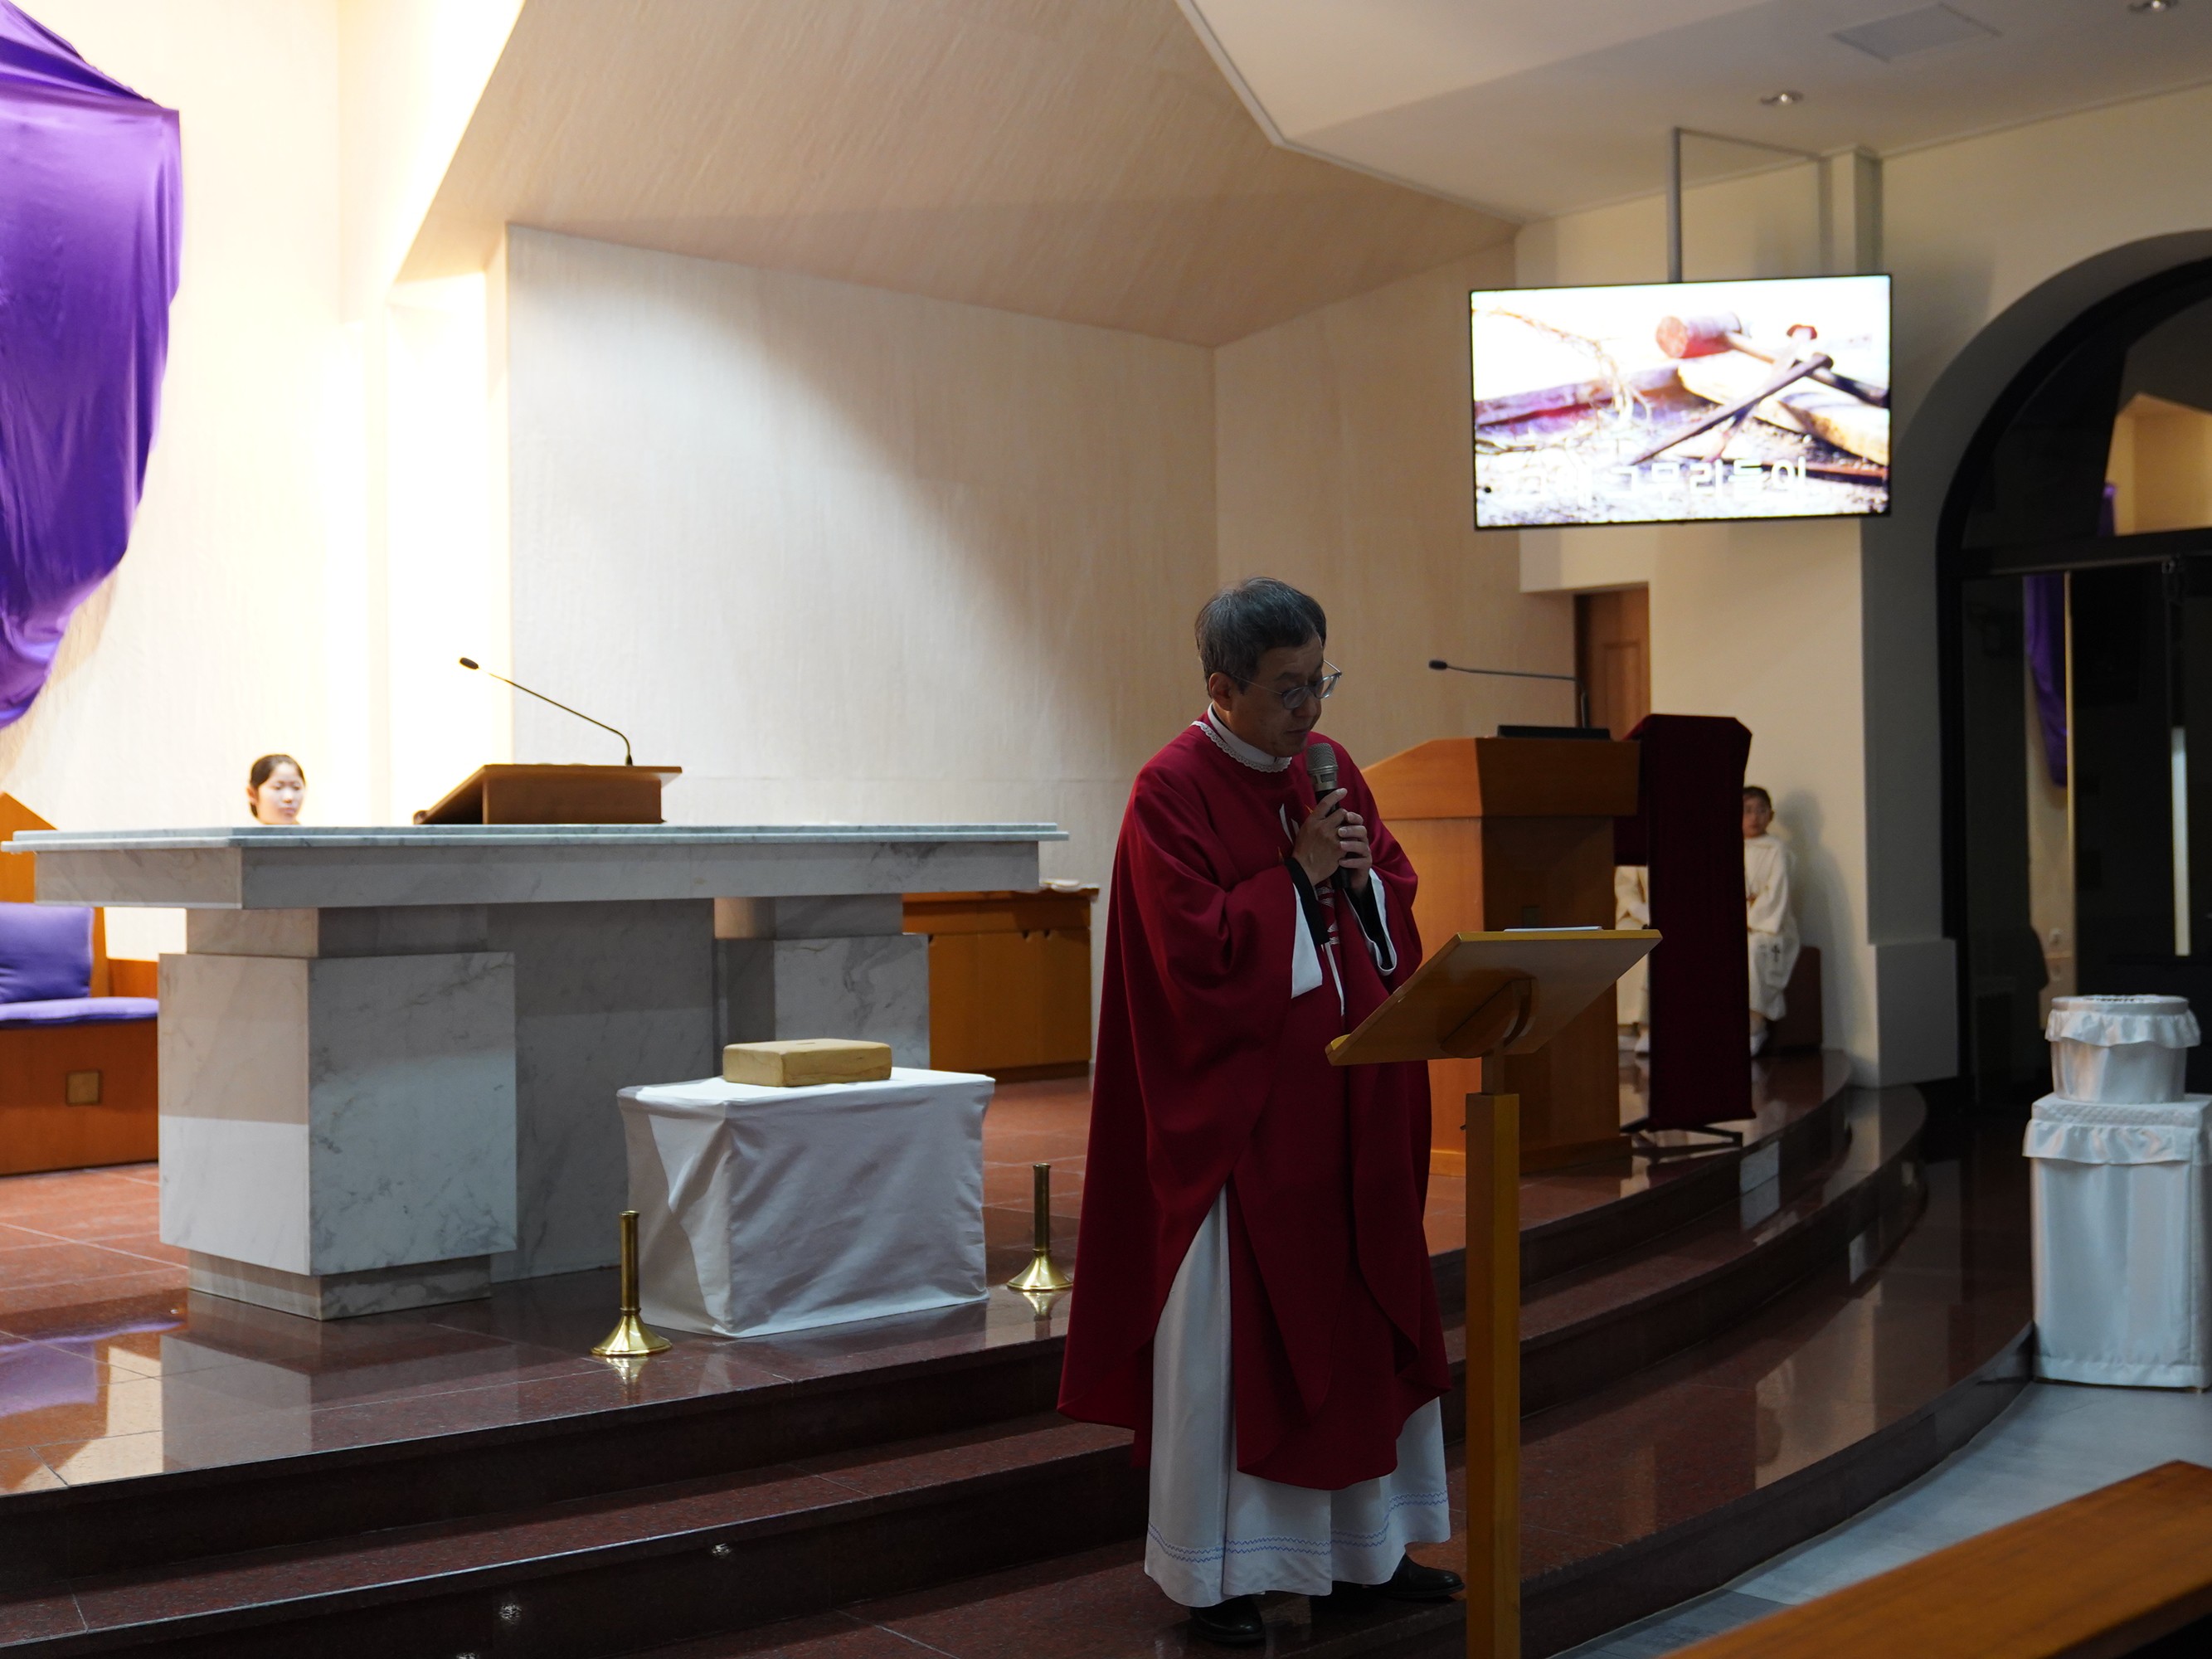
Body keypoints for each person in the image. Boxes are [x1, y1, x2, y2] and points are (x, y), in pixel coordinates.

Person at [1058, 578, 1458, 1649]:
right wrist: (1294, 875)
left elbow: (1391, 900)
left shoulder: (1330, 770)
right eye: (1287, 689)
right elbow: (1190, 963)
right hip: (1244, 1134)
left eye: (1320, 681)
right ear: (1222, 687)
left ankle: (1366, 1556)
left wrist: (1361, 884)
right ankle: (1225, 1573)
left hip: (1350, 1117)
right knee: (1239, 1354)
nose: (1309, 711)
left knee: (1360, 1331)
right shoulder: (1169, 791)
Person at [1743, 786, 1800, 1055]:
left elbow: (1776, 894)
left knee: (1754, 949)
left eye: (1761, 810)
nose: (1754, 817)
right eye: (1747, 811)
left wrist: (1749, 914)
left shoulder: (1778, 850)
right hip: (1742, 923)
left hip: (1769, 926)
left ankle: (1755, 1024)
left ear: (1771, 815)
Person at [246, 754, 306, 825]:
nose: (289, 797)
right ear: (252, 793)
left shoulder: (313, 832)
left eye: (296, 788)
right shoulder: (239, 831)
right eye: (278, 788)